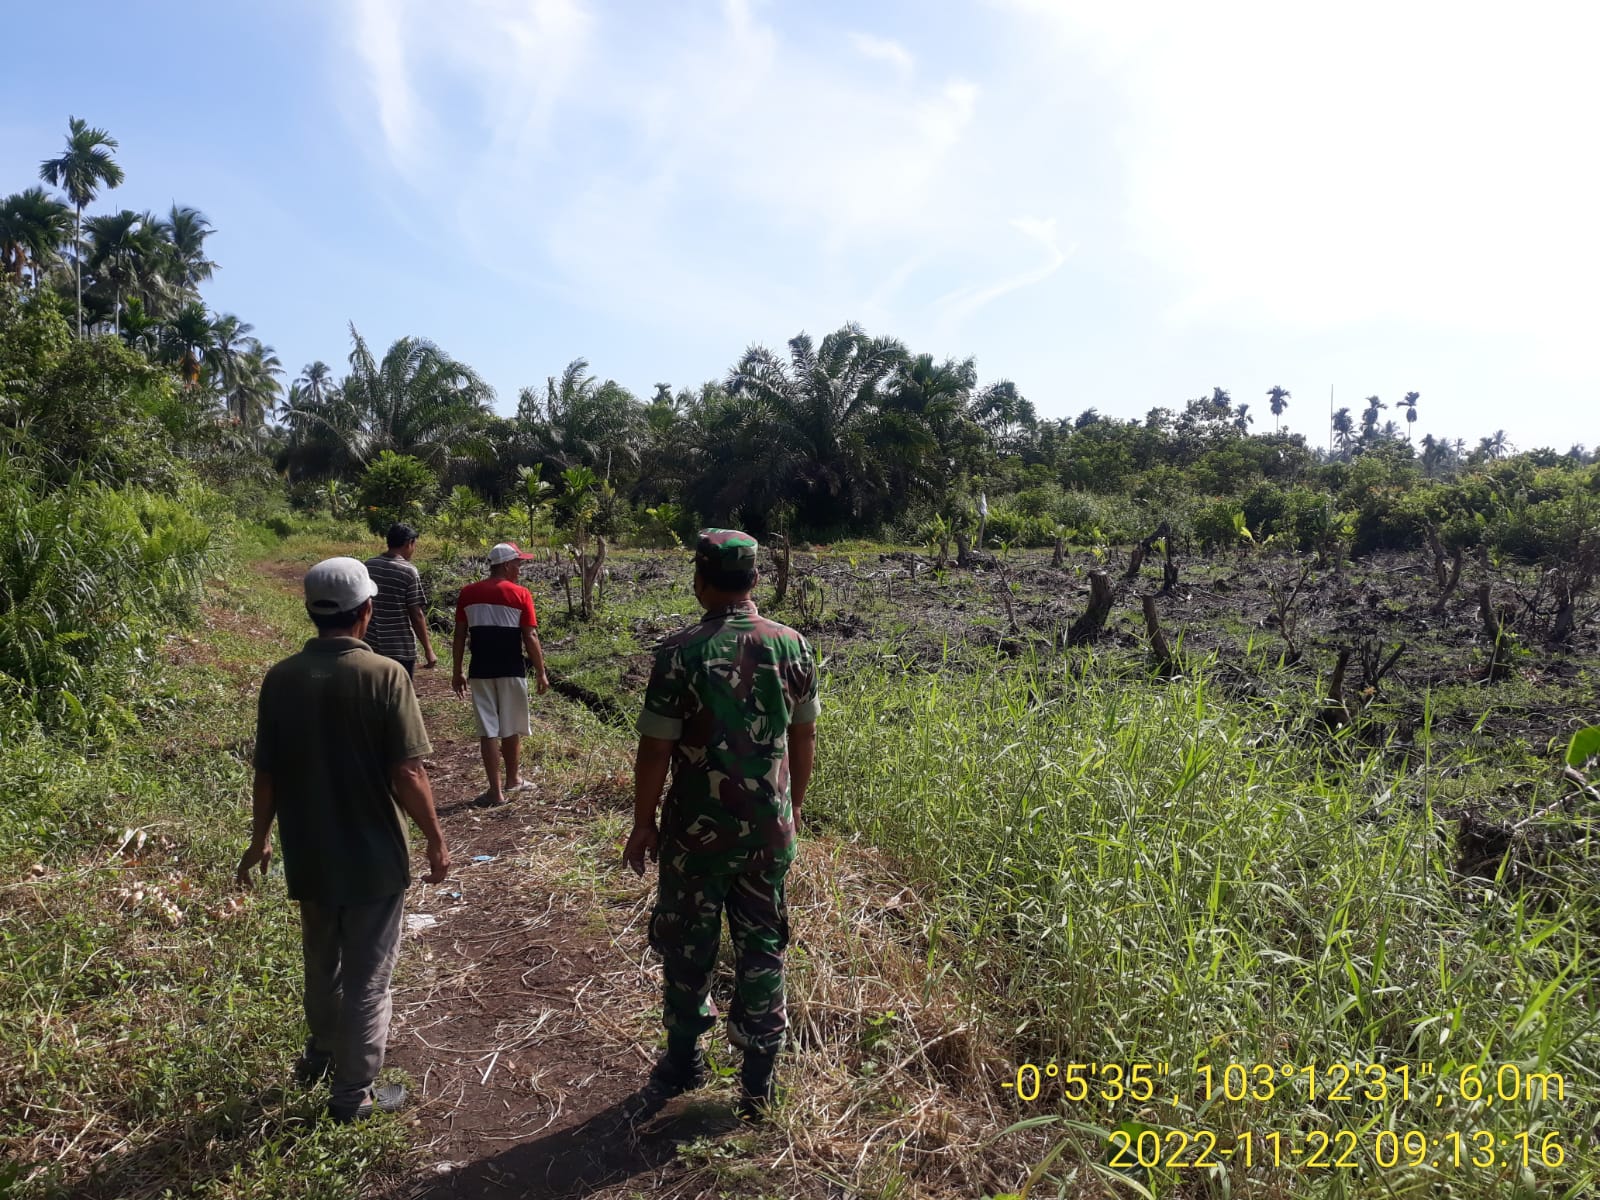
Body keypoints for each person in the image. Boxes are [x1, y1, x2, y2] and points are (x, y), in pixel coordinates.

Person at [235, 556, 450, 1123]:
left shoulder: (281, 678)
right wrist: (434, 838)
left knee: (321, 961)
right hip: (374, 856)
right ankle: (353, 1094)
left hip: (309, 850)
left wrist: (260, 840)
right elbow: (407, 773)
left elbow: (268, 774)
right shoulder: (384, 675)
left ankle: (322, 1055)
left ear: (311, 611)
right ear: (366, 612)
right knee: (368, 978)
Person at [624, 529, 820, 1119]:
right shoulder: (792, 646)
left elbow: (655, 750)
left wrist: (642, 822)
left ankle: (683, 1062)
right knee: (763, 944)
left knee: (689, 943)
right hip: (768, 832)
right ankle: (758, 1083)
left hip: (695, 835)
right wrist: (795, 807)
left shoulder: (679, 652)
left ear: (700, 579)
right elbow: (804, 736)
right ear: (756, 578)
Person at [451, 542, 550, 805]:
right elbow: (530, 636)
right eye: (518, 563)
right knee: (511, 726)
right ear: (506, 565)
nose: (520, 568)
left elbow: (460, 634)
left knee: (488, 731)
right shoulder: (520, 594)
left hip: (480, 670)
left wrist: (457, 671)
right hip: (511, 669)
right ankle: (513, 780)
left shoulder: (468, 593)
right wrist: (541, 671)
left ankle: (496, 792)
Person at [364, 523, 438, 678]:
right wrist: (428, 650)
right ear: (408, 543)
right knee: (399, 696)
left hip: (370, 645)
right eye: (414, 544)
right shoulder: (408, 572)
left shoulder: (368, 566)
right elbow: (416, 614)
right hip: (399, 649)